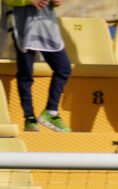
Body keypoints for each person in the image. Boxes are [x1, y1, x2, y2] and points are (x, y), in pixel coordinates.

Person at [4, 0, 72, 132]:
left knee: (64, 68)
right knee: (26, 74)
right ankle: (29, 118)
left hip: (46, 27)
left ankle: (51, 111)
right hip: (22, 26)